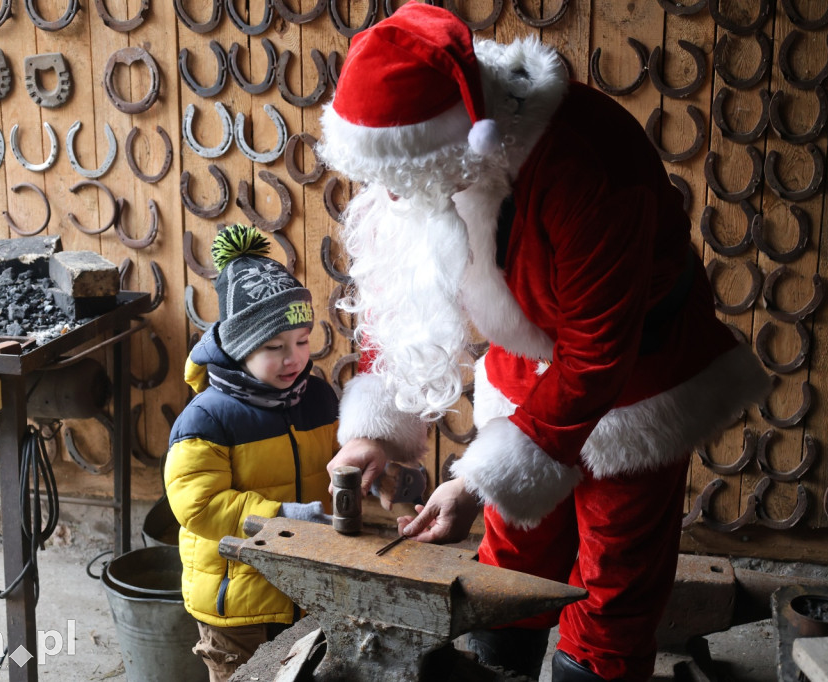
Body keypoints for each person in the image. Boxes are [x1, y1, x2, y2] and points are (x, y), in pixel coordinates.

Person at [317, 4, 771, 681]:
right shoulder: (421, 159)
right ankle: (502, 665)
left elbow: (596, 355)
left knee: (614, 570)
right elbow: (401, 290)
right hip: (528, 360)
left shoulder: (589, 169)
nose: (388, 193)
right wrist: (375, 434)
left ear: (456, 144)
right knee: (515, 548)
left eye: (399, 179)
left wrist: (474, 480)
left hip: (639, 375)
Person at [164, 224, 339, 682]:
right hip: (237, 604)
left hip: (308, 591)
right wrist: (281, 516)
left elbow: (339, 464)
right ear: (240, 349)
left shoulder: (317, 398)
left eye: (302, 342)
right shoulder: (207, 419)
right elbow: (198, 506)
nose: (294, 359)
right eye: (274, 348)